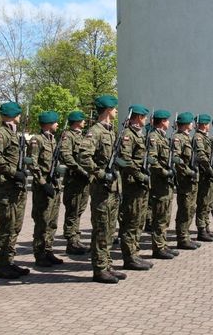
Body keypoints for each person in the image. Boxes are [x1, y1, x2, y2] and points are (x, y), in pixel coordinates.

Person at [79, 95, 127, 284]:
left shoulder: (110, 131)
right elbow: (84, 157)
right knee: (101, 228)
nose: (116, 111)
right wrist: (99, 174)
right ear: (108, 110)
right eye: (114, 108)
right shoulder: (95, 131)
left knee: (109, 229)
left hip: (113, 188)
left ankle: (107, 265)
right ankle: (99, 269)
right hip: (102, 188)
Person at [0, 102, 30, 279]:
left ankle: (9, 262)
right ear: (14, 114)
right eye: (19, 113)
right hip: (7, 186)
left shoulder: (14, 134)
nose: (20, 116)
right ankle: (2, 265)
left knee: (15, 226)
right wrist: (14, 172)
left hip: (17, 186)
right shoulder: (0, 134)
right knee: (6, 226)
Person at [117, 104, 154, 270]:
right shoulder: (128, 135)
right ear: (138, 117)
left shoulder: (139, 135)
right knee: (130, 221)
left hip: (141, 183)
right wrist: (139, 175)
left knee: (139, 220)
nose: (145, 120)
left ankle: (135, 253)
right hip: (132, 183)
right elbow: (124, 159)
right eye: (144, 117)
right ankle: (129, 257)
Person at [27, 111, 64, 267]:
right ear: (49, 123)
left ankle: (48, 251)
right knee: (42, 222)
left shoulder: (53, 140)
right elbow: (32, 163)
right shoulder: (37, 140)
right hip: (43, 188)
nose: (58, 125)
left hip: (54, 185)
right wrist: (43, 183)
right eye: (56, 122)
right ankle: (40, 254)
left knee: (52, 222)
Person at [147, 110, 179, 259]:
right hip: (159, 182)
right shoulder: (153, 137)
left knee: (165, 215)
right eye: (167, 120)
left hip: (166, 183)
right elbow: (152, 160)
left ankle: (163, 244)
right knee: (159, 216)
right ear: (162, 121)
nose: (169, 123)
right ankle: (158, 247)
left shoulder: (164, 137)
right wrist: (165, 172)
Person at [60, 110, 91, 255]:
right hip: (75, 179)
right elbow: (66, 156)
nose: (84, 121)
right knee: (73, 210)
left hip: (83, 180)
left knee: (79, 210)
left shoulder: (81, 136)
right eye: (82, 119)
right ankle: (71, 241)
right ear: (76, 121)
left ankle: (76, 239)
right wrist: (81, 170)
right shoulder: (68, 136)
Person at [172, 112, 201, 250]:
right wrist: (189, 172)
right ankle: (182, 238)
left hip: (191, 179)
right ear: (186, 124)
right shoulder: (178, 138)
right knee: (184, 209)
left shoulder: (188, 138)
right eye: (191, 122)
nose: (193, 125)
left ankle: (186, 236)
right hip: (184, 179)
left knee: (191, 208)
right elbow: (176, 159)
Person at [193, 114, 213, 242]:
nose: (209, 126)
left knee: (209, 202)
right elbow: (201, 156)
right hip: (203, 174)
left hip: (208, 173)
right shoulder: (198, 137)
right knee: (203, 203)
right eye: (207, 123)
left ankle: (207, 228)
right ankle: (201, 229)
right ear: (203, 124)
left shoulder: (205, 137)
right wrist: (209, 169)